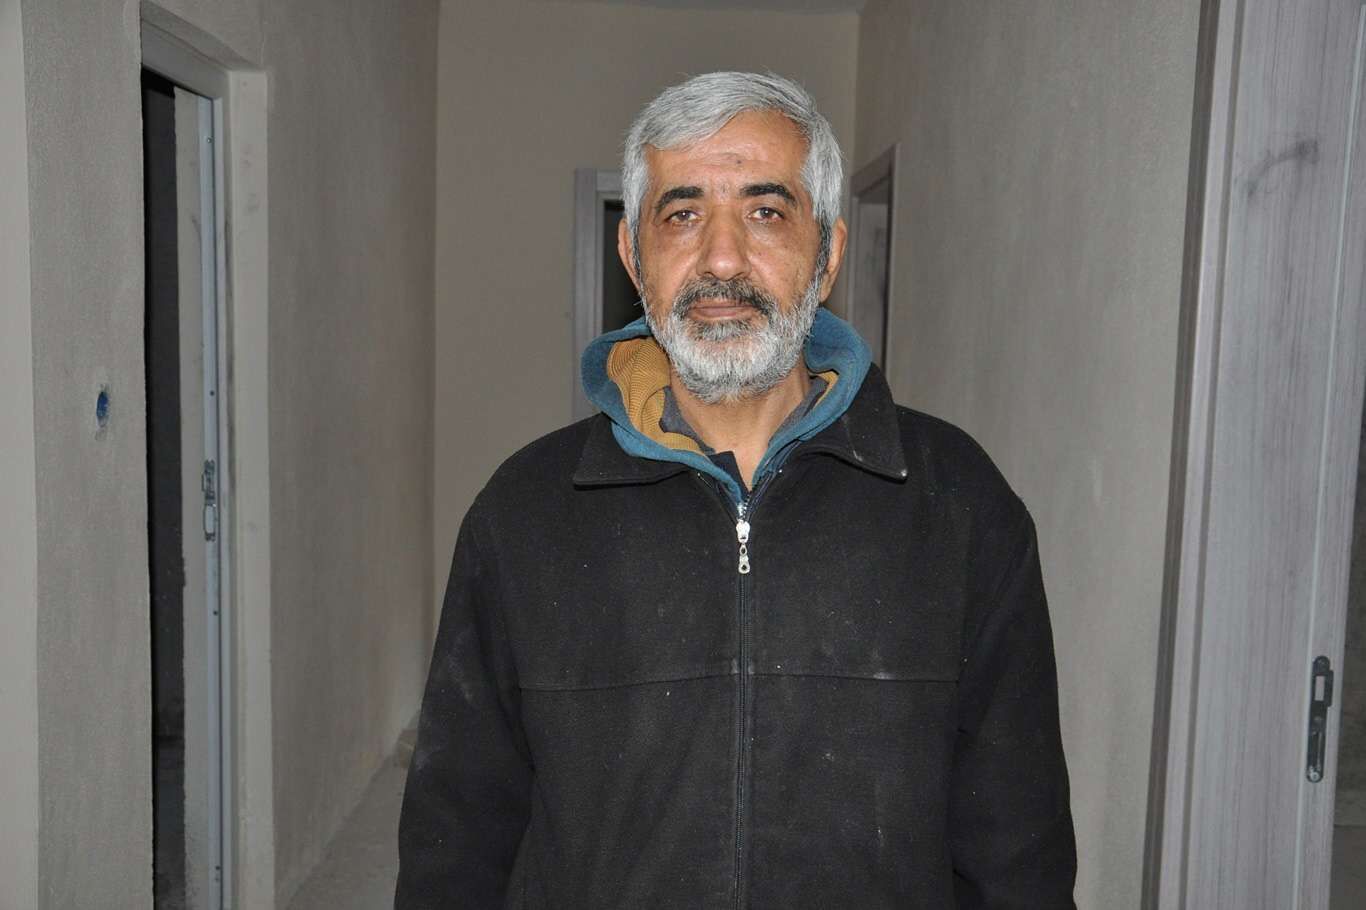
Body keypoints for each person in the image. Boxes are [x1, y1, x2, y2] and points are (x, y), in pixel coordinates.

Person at [395, 71, 1076, 909]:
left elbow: (1017, 843)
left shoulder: (958, 503)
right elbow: (458, 832)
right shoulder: (524, 513)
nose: (721, 259)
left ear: (826, 255)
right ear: (634, 256)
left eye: (766, 213)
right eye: (681, 215)